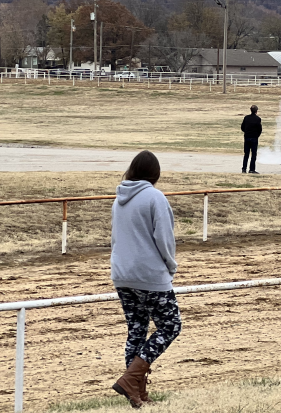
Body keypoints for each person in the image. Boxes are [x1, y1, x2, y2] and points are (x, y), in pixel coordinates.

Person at [110, 151, 181, 407]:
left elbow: (117, 238)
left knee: (137, 330)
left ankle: (137, 394)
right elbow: (164, 239)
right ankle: (130, 380)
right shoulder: (155, 197)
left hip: (122, 274)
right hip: (149, 274)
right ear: (155, 173)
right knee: (171, 326)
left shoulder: (119, 199)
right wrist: (170, 266)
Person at [241, 104, 262, 174]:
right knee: (253, 155)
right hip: (254, 138)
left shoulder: (246, 118)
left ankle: (244, 169)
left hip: (246, 137)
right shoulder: (258, 119)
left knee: (246, 154)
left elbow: (242, 127)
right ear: (256, 111)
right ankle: (252, 169)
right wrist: (256, 135)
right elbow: (260, 129)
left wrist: (246, 132)